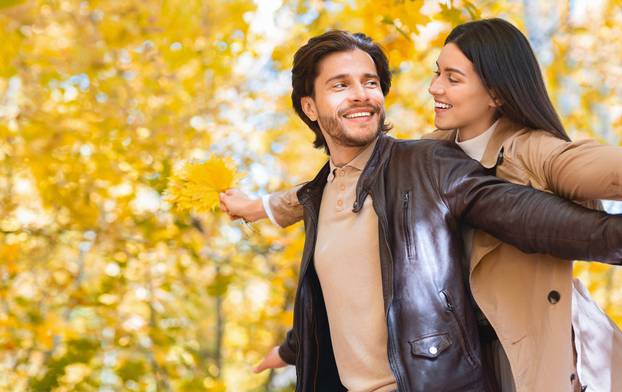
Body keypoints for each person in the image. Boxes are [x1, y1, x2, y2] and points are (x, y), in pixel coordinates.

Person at [220, 28, 622, 391]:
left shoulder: (436, 163)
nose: (360, 93)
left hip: (527, 361)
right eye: (340, 85)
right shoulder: (329, 192)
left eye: (370, 82)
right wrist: (295, 347)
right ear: (310, 107)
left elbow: (539, 216)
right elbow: (353, 292)